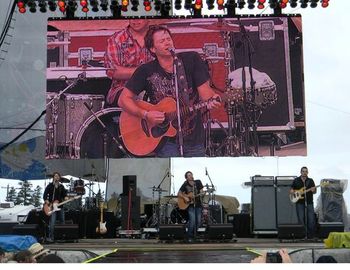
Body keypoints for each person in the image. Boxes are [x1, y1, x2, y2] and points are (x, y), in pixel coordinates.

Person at [118, 25, 221, 157]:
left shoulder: (191, 60)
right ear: (152, 49)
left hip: (193, 137)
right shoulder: (145, 70)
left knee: (195, 176)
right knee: (171, 175)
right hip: (164, 140)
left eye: (168, 39)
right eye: (162, 41)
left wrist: (213, 100)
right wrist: (145, 114)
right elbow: (123, 99)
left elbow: (206, 94)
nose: (167, 42)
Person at [104, 19, 154, 107]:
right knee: (137, 98)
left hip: (154, 87)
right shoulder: (116, 39)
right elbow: (113, 71)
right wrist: (145, 71)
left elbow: (166, 63)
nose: (135, 20)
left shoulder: (158, 36)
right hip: (123, 88)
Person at [177, 171, 204, 242]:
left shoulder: (198, 182)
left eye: (191, 174)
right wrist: (185, 197)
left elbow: (201, 191)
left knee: (198, 221)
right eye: (189, 175)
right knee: (192, 221)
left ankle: (193, 234)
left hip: (198, 204)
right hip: (190, 205)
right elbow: (179, 193)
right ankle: (189, 236)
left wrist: (202, 193)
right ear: (186, 178)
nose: (190, 176)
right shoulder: (185, 184)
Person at [290, 166, 316, 239]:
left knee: (311, 219)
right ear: (300, 172)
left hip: (309, 202)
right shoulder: (296, 180)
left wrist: (313, 190)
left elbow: (314, 192)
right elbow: (291, 190)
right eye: (303, 171)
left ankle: (310, 235)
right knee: (301, 219)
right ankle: (302, 235)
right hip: (299, 202)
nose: (304, 173)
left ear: (307, 172)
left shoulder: (310, 181)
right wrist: (295, 192)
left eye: (306, 171)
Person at [43, 172, 68, 242]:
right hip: (52, 206)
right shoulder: (50, 186)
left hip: (60, 206)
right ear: (53, 177)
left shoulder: (61, 187)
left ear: (59, 178)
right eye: (55, 176)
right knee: (52, 222)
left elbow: (64, 194)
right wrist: (46, 201)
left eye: (58, 176)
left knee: (62, 221)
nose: (56, 177)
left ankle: (62, 237)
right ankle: (51, 237)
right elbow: (44, 195)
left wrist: (65, 197)